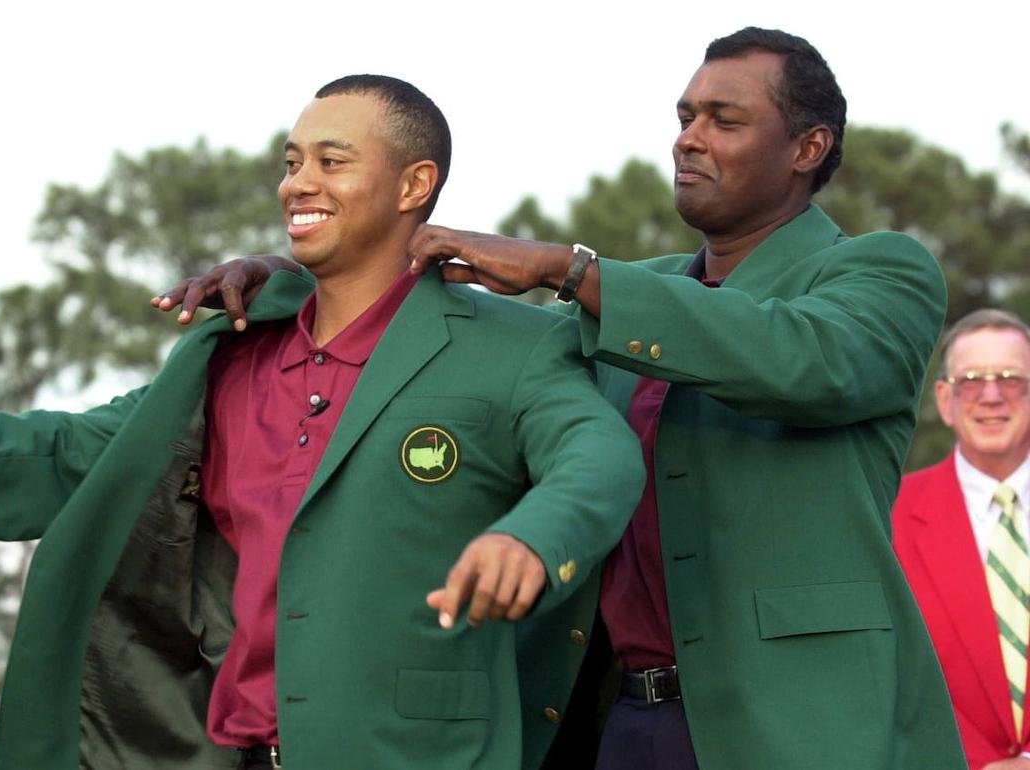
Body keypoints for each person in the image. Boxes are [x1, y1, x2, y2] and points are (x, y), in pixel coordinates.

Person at [159, 27, 966, 770]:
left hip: (810, 721)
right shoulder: (629, 296)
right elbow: (449, 351)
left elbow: (811, 360)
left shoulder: (880, 271)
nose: (688, 138)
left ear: (807, 148)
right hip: (623, 721)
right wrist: (294, 276)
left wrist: (566, 268)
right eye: (685, 116)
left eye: (724, 120)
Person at [0, 76, 643, 770]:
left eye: (332, 161)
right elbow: (76, 454)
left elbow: (598, 456)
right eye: (292, 162)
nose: (298, 183)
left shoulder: (514, 346)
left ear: (413, 185)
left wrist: (534, 538)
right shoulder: (234, 355)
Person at [893, 309, 1030, 769]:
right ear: (945, 399)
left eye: (1010, 379)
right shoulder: (889, 518)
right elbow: (888, 671)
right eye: (971, 381)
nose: (991, 396)